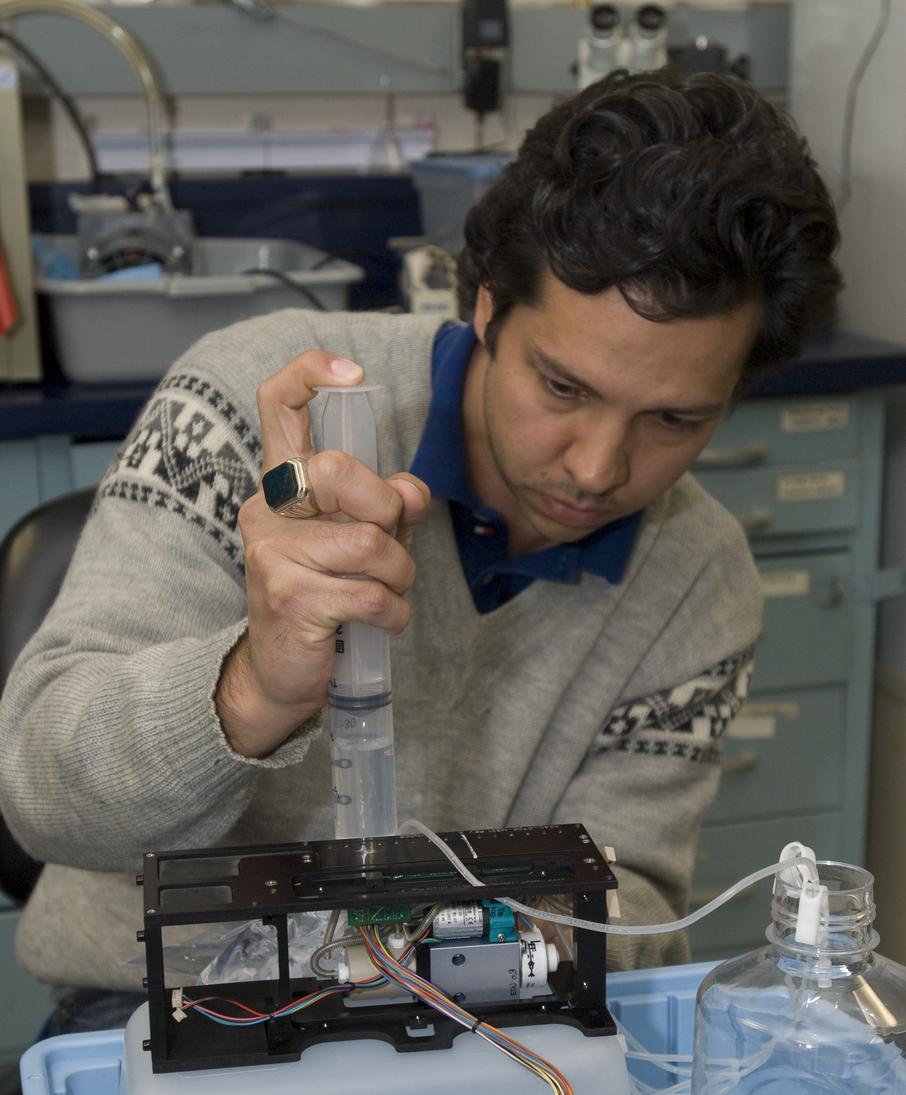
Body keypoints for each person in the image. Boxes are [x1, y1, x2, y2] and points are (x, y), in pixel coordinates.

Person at [0, 68, 841, 1034]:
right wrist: (252, 689)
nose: (598, 469)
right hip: (167, 1010)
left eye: (675, 419)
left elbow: (637, 901)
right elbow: (42, 800)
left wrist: (474, 947)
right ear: (485, 305)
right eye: (563, 388)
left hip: (488, 1021)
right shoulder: (252, 412)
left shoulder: (699, 578)